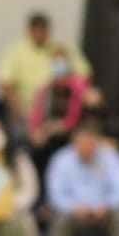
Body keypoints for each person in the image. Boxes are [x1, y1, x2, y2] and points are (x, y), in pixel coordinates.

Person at [0, 11, 91, 129]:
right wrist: (15, 108)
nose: (40, 34)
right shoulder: (17, 51)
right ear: (30, 30)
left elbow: (83, 73)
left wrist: (66, 84)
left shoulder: (59, 49)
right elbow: (5, 80)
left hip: (58, 109)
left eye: (43, 30)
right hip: (28, 112)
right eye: (36, 30)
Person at [26, 45, 90, 185]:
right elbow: (36, 114)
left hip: (67, 136)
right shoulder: (46, 89)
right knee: (36, 151)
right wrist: (35, 132)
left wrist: (48, 130)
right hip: (47, 136)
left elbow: (71, 120)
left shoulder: (75, 88)